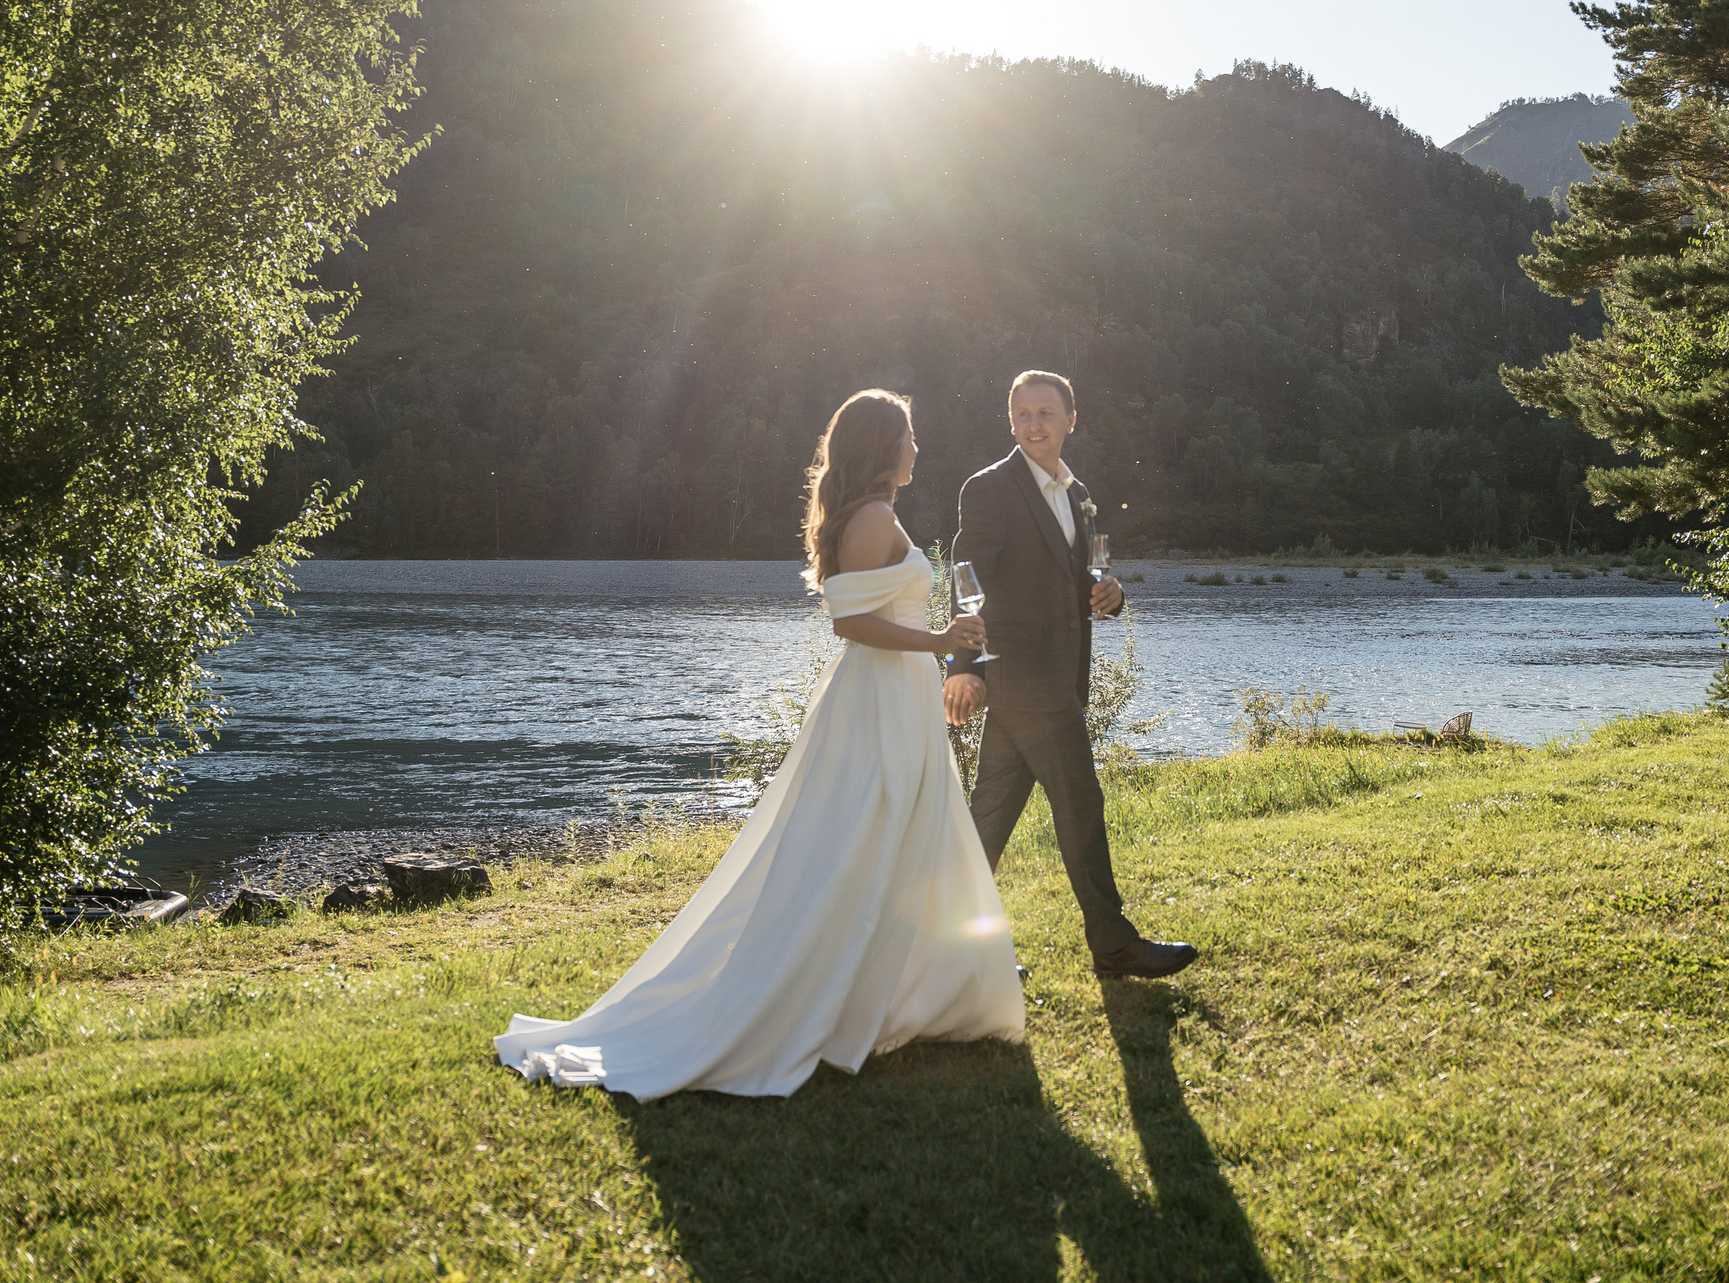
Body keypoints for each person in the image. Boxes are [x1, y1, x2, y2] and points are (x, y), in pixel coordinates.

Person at [493, 389, 1023, 1099]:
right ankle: (841, 999)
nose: (917, 447)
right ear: (881, 445)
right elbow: (852, 621)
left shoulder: (872, 514)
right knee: (866, 840)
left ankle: (916, 995)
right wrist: (939, 638)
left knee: (911, 838)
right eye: (909, 435)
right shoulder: (872, 517)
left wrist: (939, 645)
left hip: (898, 696)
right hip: (878, 699)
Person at [944, 370, 1199, 981]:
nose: (1034, 424)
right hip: (1024, 679)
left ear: (1070, 420)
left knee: (989, 817)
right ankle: (1113, 945)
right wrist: (964, 665)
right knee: (1081, 804)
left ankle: (943, 950)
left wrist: (1108, 593)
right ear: (1011, 422)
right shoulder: (989, 489)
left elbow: (1081, 577)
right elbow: (966, 578)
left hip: (1055, 677)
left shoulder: (1079, 491)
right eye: (1023, 414)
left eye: (1046, 414)